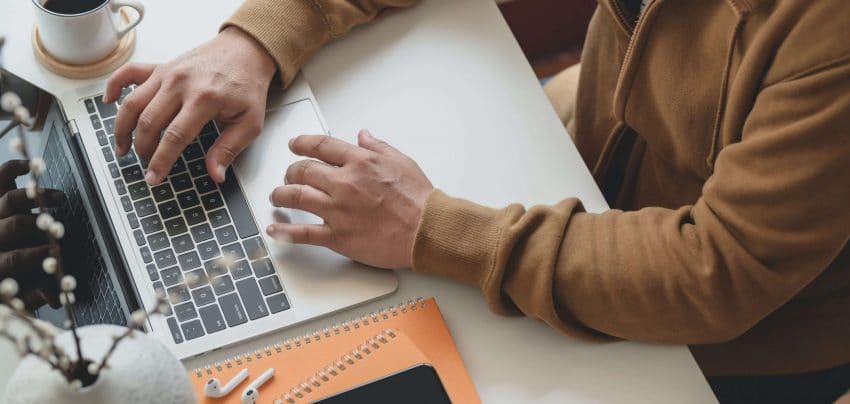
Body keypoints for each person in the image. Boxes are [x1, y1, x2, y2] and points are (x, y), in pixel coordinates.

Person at [99, 0, 849, 402]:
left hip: (739, 340)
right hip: (586, 159)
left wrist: (431, 227)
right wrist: (258, 39)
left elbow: (719, 273)